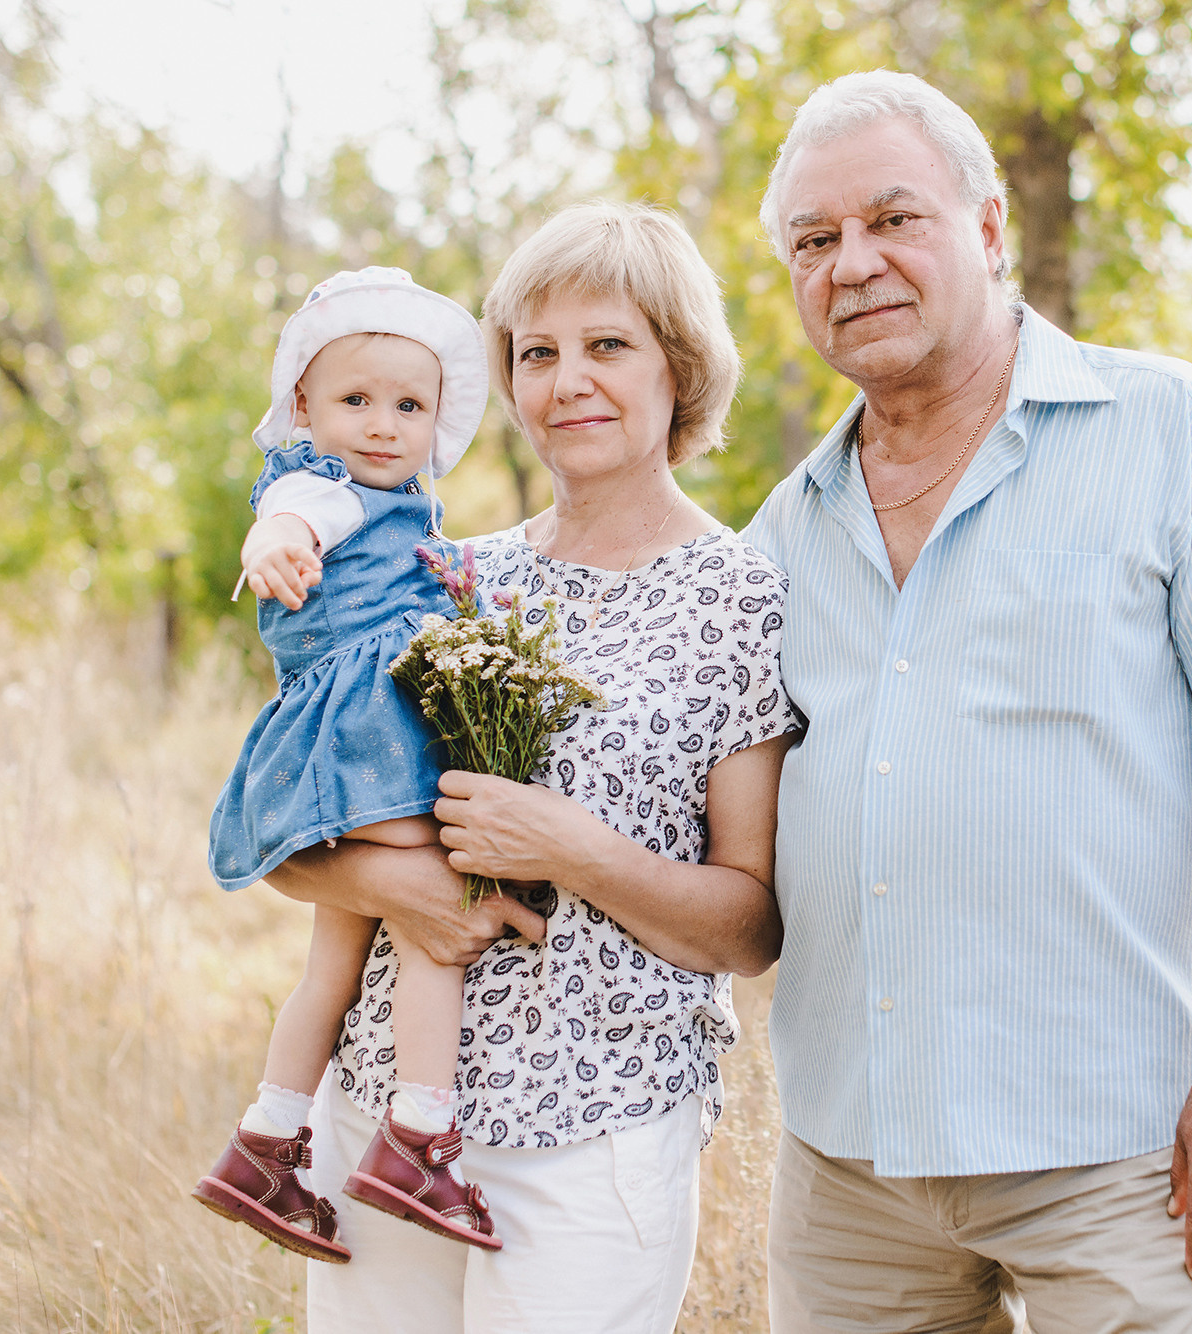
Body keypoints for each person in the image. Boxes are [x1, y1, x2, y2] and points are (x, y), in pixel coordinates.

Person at [741, 71, 1192, 1332]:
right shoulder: (779, 532)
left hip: (1122, 1156)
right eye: (814, 242)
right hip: (852, 1169)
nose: (850, 263)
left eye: (889, 219)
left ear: (984, 229)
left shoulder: (1170, 433)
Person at [262, 202, 802, 1332]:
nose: (569, 382)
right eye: (535, 353)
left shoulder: (740, 594)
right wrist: (401, 886)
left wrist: (576, 851)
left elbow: (748, 926)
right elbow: (289, 831)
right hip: (386, 1118)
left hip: (595, 1127)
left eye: (607, 345)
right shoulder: (440, 574)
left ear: (679, 367)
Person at [197, 267, 505, 1262]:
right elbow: (286, 519)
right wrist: (273, 541)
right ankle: (420, 1133)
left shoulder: (412, 507)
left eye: (407, 405)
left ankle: (267, 1139)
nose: (381, 424)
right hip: (367, 741)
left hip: (357, 746)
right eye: (355, 400)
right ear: (304, 408)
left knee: (333, 958)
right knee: (435, 917)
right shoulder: (316, 486)